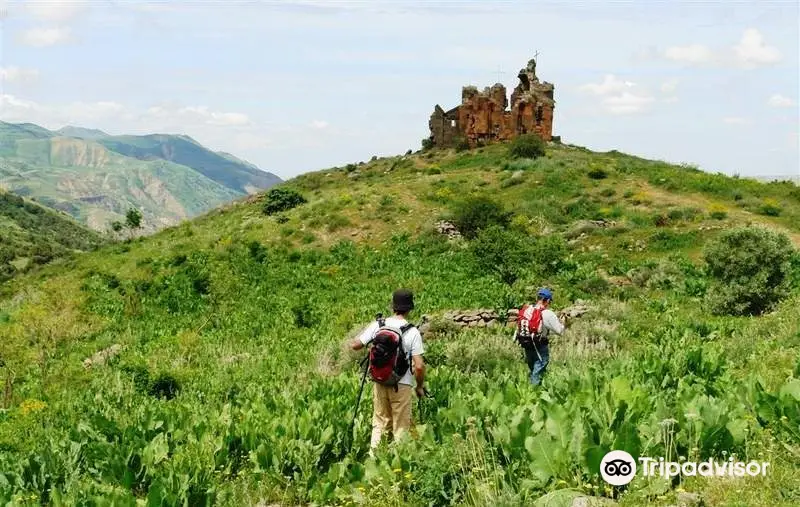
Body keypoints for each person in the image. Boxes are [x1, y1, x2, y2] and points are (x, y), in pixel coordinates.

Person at [351, 288, 426, 449]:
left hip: (380, 381)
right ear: (409, 309)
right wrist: (419, 386)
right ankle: (398, 464)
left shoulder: (379, 324)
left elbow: (356, 345)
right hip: (402, 384)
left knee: (380, 423)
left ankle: (374, 461)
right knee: (400, 427)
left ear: (393, 307)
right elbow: (419, 366)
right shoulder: (412, 331)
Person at [515, 287, 565, 386]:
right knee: (538, 371)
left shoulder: (527, 310)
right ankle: (534, 392)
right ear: (547, 301)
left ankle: (532, 389)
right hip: (540, 345)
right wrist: (563, 322)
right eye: (550, 302)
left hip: (527, 344)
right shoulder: (547, 313)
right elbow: (560, 331)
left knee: (533, 369)